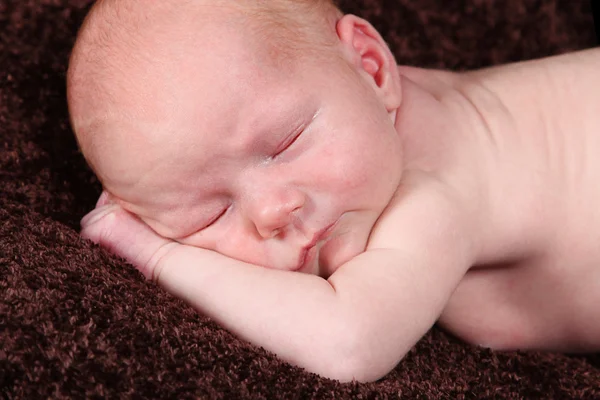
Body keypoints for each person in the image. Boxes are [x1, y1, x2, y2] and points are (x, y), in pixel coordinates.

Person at [67, 0, 600, 382]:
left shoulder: (437, 183)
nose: (272, 210)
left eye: (286, 142)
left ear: (371, 68)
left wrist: (158, 256)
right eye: (208, 216)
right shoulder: (352, 114)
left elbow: (351, 343)